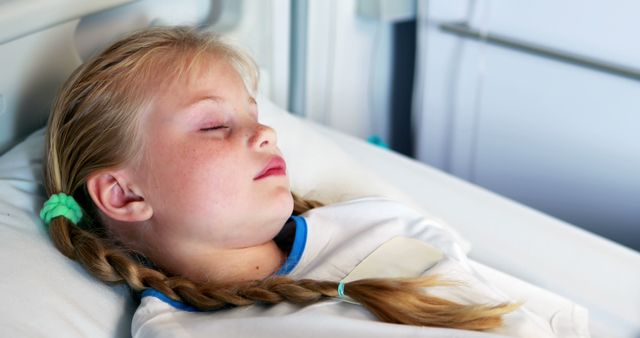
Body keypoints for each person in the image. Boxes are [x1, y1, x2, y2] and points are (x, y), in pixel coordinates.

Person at [40, 26, 527, 335]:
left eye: (254, 114)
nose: (266, 132)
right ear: (125, 194)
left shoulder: (372, 222)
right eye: (213, 125)